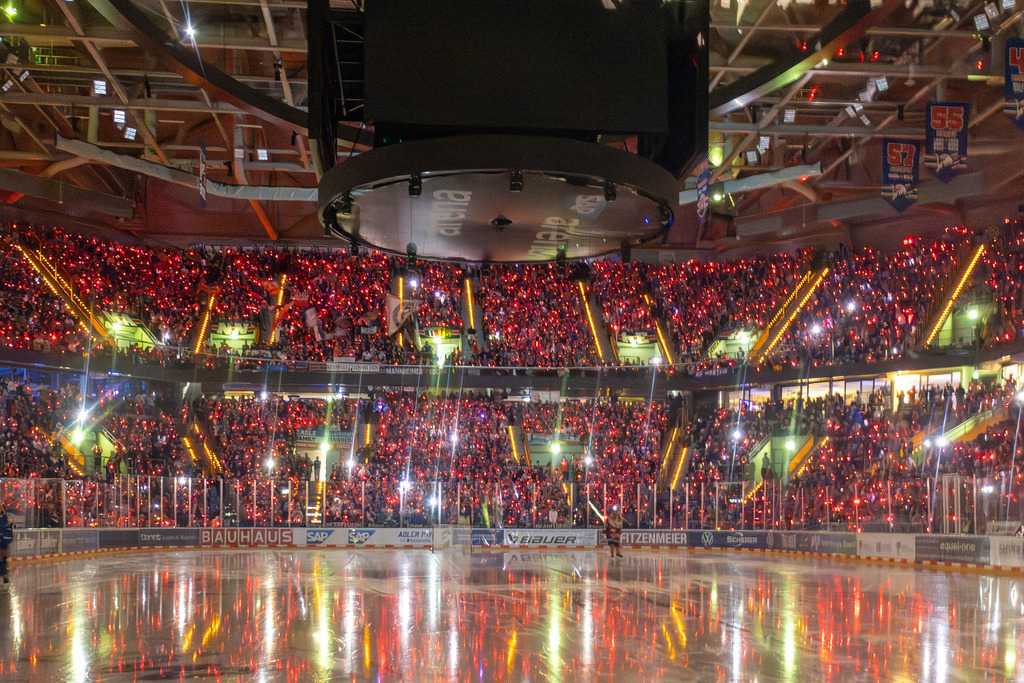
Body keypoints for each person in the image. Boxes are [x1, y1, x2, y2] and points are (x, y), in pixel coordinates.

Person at [0, 507, 13, 584]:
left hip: (3, 540)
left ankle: (4, 573)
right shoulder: (6, 518)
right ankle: (4, 573)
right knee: (3, 556)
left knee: (2, 556)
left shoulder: (5, 518)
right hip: (4, 540)